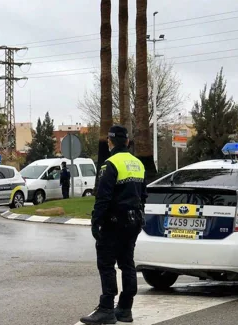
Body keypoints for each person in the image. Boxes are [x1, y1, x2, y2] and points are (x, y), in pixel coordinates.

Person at [80, 125, 147, 325]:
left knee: (107, 264)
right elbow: (143, 196)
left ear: (110, 142)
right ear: (127, 142)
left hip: (114, 223)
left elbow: (103, 197)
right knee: (127, 264)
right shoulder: (138, 164)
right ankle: (125, 308)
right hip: (134, 221)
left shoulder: (110, 164)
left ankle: (107, 308)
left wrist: (96, 221)